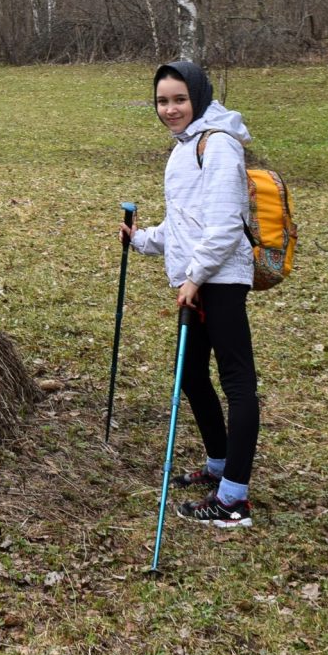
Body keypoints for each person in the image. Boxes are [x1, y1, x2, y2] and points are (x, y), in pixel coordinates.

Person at [120, 58, 259, 528]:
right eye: (162, 101)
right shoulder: (185, 147)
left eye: (179, 99)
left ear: (198, 96)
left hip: (219, 280)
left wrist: (195, 279)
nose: (170, 108)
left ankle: (234, 499)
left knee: (238, 383)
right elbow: (185, 225)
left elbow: (222, 227)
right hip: (195, 281)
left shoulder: (218, 144)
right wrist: (141, 239)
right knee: (192, 375)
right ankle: (218, 466)